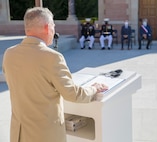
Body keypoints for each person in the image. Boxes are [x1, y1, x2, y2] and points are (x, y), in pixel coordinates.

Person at [2, 7, 108, 142]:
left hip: (19, 134)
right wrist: (94, 88)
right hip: (45, 135)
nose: (54, 30)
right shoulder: (52, 58)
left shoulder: (9, 54)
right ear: (47, 28)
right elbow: (72, 94)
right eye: (53, 26)